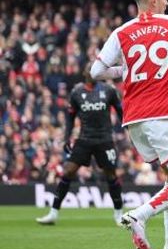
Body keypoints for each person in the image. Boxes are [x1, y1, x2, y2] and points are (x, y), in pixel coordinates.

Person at [90, 0, 168, 249]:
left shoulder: (121, 32)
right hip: (163, 114)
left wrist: (124, 70)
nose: (167, 3)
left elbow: (96, 72)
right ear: (153, 1)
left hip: (134, 120)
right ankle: (139, 215)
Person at [36, 64, 124, 226]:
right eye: (89, 69)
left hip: (105, 139)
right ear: (84, 72)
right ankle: (53, 213)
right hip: (84, 139)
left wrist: (127, 127)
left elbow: (120, 111)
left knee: (111, 175)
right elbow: (70, 118)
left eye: (95, 69)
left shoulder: (109, 90)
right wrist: (67, 137)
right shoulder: (77, 92)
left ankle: (119, 214)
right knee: (68, 171)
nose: (93, 71)